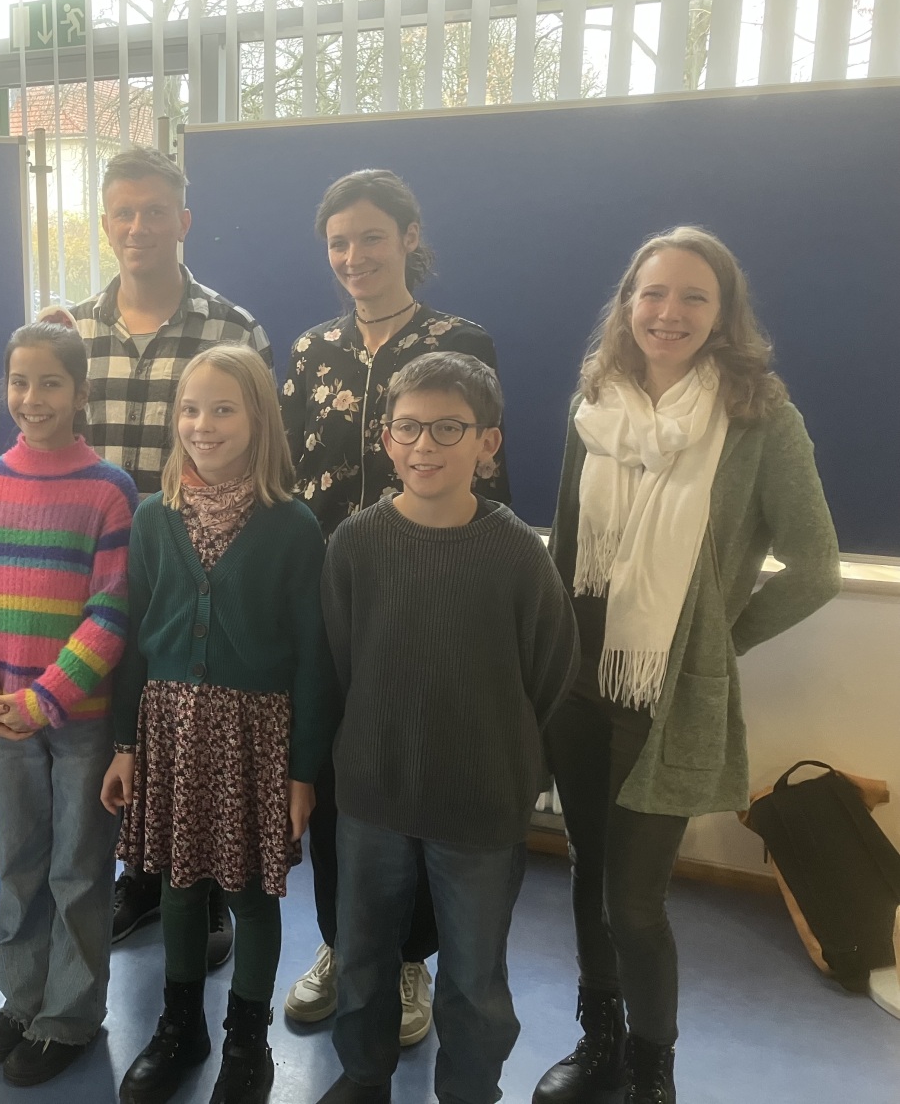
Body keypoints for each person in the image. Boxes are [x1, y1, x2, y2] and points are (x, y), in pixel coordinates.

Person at [533, 227, 840, 1104]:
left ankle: (649, 1065)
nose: (669, 313)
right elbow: (564, 547)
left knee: (635, 899)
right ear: (628, 304)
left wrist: (717, 642)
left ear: (724, 314)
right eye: (653, 293)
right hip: (581, 687)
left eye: (693, 297)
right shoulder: (594, 403)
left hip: (667, 699)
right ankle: (597, 1041)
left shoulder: (761, 419)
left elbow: (817, 566)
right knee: (590, 875)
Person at [281, 169, 511, 1041]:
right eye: (338, 242)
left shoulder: (460, 340)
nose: (354, 256)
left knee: (416, 775)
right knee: (340, 777)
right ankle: (345, 944)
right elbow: (291, 481)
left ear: (410, 236)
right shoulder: (309, 353)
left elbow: (490, 471)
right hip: (332, 600)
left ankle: (410, 962)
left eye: (371, 237)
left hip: (429, 596)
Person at [317, 352, 578, 1104]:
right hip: (372, 797)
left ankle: (470, 1088)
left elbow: (549, 674)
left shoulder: (519, 556)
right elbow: (342, 661)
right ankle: (363, 1074)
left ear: (486, 443)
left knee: (474, 973)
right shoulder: (356, 545)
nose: (425, 444)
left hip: (480, 806)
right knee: (363, 954)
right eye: (409, 428)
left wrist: (499, 754)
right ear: (386, 439)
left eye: (447, 427)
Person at [50, 145, 271, 957]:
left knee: (195, 718)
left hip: (199, 565)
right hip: (101, 562)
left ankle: (204, 889)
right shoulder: (71, 330)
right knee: (125, 717)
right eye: (122, 212)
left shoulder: (233, 328)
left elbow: (256, 450)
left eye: (153, 211)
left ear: (183, 221)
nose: (137, 226)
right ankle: (140, 875)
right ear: (105, 224)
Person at [103, 345, 338, 1104]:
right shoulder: (153, 515)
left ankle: (247, 1037)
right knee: (176, 885)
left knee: (248, 891)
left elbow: (312, 656)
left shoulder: (294, 525)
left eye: (224, 408)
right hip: (169, 727)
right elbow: (134, 634)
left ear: (259, 417)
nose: (204, 424)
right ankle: (181, 1025)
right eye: (191, 409)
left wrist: (303, 770)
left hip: (253, 737)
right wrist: (124, 744)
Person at [0, 322, 137, 1087]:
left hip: (77, 721)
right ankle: (23, 1000)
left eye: (51, 382)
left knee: (79, 871)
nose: (32, 398)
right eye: (19, 382)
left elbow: (112, 611)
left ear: (81, 392)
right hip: (1, 719)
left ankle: (71, 1015)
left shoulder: (108, 490)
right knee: (19, 865)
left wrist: (45, 696)